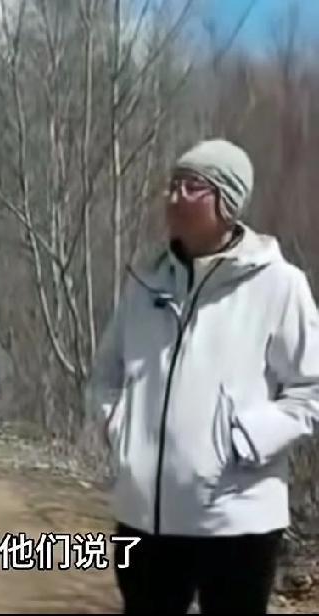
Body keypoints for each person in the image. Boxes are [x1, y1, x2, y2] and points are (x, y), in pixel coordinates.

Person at [87, 139, 319, 614]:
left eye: (191, 186)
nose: (173, 196)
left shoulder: (277, 284)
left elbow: (311, 389)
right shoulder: (145, 280)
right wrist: (117, 424)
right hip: (144, 516)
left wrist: (247, 438)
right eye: (172, 184)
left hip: (236, 518)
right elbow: (105, 373)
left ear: (227, 201)